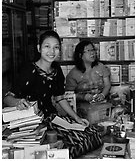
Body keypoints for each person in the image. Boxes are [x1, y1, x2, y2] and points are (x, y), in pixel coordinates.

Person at [3, 30, 102, 158]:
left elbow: (60, 98)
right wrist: (18, 102)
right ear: (39, 48)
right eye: (47, 46)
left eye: (56, 47)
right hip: (36, 122)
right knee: (76, 142)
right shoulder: (29, 70)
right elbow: (7, 98)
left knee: (93, 133)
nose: (52, 51)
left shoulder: (56, 69)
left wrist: (76, 118)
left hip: (53, 117)